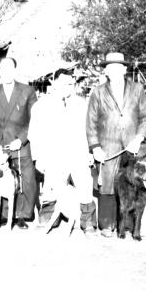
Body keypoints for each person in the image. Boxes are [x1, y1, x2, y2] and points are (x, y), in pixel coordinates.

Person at [86, 52, 146, 237]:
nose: (114, 71)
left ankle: (129, 225)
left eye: (118, 67)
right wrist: (95, 147)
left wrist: (138, 139)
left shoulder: (137, 89)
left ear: (124, 69)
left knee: (135, 183)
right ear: (106, 71)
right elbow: (90, 123)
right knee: (107, 183)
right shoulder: (97, 92)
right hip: (108, 146)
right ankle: (107, 224)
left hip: (134, 146)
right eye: (110, 67)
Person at [30, 70, 96, 233]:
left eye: (70, 83)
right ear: (54, 83)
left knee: (85, 186)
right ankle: (47, 219)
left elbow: (89, 130)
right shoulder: (42, 105)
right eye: (64, 83)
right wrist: (38, 158)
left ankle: (87, 222)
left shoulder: (81, 104)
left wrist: (89, 152)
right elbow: (34, 133)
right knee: (51, 187)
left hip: (77, 152)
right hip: (54, 155)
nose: (68, 87)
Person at [0, 56, 38, 229]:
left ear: (15, 70)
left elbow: (34, 120)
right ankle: (4, 215)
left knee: (26, 179)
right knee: (1, 180)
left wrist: (21, 140)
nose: (7, 72)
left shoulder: (28, 91)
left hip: (21, 144)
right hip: (0, 146)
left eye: (10, 68)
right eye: (3, 68)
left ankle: (21, 215)